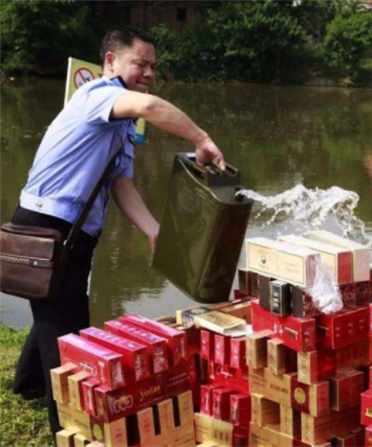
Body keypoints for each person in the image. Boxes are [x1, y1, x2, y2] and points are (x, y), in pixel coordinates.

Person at [11, 27, 225, 436]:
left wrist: (153, 230)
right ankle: (68, 427)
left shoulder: (121, 125)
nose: (148, 72)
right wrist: (201, 138)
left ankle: (29, 382)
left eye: (153, 67)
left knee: (58, 305)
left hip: (73, 233)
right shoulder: (98, 96)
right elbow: (148, 104)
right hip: (47, 227)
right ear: (110, 62)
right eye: (140, 63)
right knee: (67, 327)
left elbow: (120, 184)